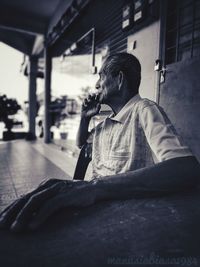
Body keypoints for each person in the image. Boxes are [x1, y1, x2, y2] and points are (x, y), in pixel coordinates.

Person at [0, 53, 199, 232]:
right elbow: (81, 144)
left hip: (127, 215)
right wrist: (84, 118)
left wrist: (95, 187)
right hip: (97, 206)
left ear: (120, 79)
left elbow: (185, 169)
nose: (97, 85)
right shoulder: (107, 122)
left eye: (101, 76)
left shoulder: (144, 110)